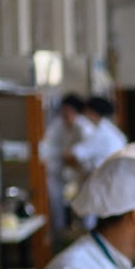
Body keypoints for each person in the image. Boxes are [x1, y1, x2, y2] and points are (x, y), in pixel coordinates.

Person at [39, 93, 87, 236]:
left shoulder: (83, 127)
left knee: (83, 209)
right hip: (56, 173)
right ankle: (60, 234)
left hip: (80, 174)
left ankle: (80, 232)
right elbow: (45, 148)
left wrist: (71, 157)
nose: (66, 116)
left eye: (69, 112)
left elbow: (80, 154)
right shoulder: (58, 125)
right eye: (64, 112)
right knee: (56, 207)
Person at [74, 95, 127, 176]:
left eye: (86, 111)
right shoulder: (110, 129)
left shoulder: (101, 133)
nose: (85, 115)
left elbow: (76, 153)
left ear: (92, 112)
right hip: (113, 173)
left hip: (106, 175)